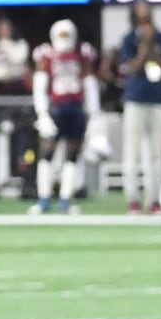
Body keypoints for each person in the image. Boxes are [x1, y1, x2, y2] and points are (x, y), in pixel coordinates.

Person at [103, 0, 161, 214]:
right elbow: (132, 68)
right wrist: (145, 46)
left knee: (156, 152)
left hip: (157, 100)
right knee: (132, 152)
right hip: (135, 99)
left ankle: (154, 199)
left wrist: (153, 46)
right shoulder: (129, 40)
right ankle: (133, 199)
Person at [29, 19, 100, 215]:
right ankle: (44, 197)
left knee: (73, 155)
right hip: (56, 108)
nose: (64, 40)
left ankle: (65, 198)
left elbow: (89, 83)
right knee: (47, 153)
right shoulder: (46, 55)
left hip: (75, 107)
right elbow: (40, 85)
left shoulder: (82, 54)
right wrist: (42, 113)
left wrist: (94, 115)